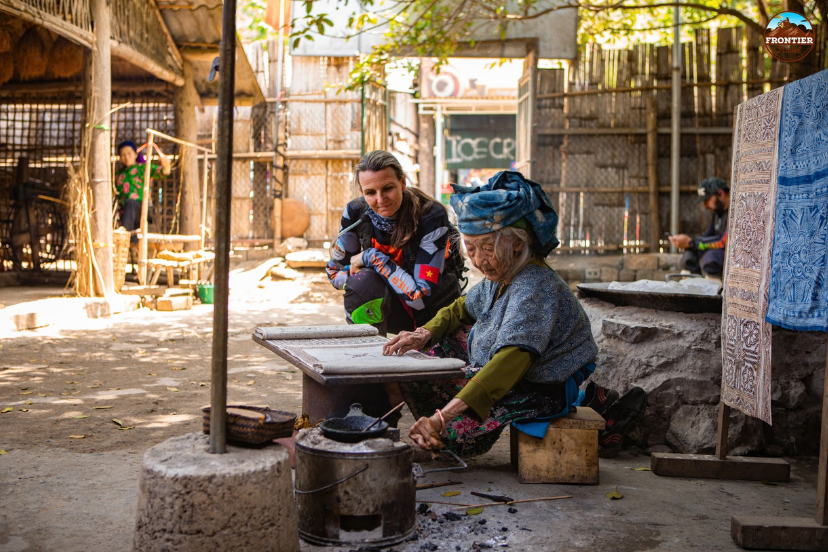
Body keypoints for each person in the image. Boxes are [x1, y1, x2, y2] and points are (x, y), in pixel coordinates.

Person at [383, 171, 616, 457]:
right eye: (471, 249)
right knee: (430, 350)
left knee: (453, 434)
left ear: (517, 243)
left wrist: (444, 417)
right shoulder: (501, 276)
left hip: (542, 387)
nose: (479, 260)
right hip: (507, 367)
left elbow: (510, 362)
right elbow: (462, 307)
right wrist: (422, 334)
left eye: (488, 248)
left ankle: (442, 424)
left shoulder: (534, 286)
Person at [326, 150, 465, 336]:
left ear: (402, 183)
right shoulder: (356, 212)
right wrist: (370, 276)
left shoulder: (430, 216)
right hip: (391, 307)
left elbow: (419, 297)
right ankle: (369, 351)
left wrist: (372, 258)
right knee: (363, 283)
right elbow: (334, 272)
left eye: (388, 188)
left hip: (433, 313)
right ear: (362, 192)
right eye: (370, 192)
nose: (380, 200)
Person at [668, 177, 730, 277]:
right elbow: (706, 236)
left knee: (711, 258)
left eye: (707, 199)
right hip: (718, 252)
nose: (704, 205)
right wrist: (690, 244)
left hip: (729, 257)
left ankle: (715, 288)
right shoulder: (717, 214)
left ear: (721, 194)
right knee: (689, 256)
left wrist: (692, 243)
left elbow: (723, 242)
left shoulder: (734, 213)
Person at [115, 141, 171, 241]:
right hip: (125, 211)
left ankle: (124, 237)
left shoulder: (143, 168)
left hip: (141, 209)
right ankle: (130, 240)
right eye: (123, 155)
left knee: (130, 203)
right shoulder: (118, 175)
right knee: (127, 206)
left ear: (135, 154)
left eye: (129, 154)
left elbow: (164, 172)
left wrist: (166, 164)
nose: (126, 157)